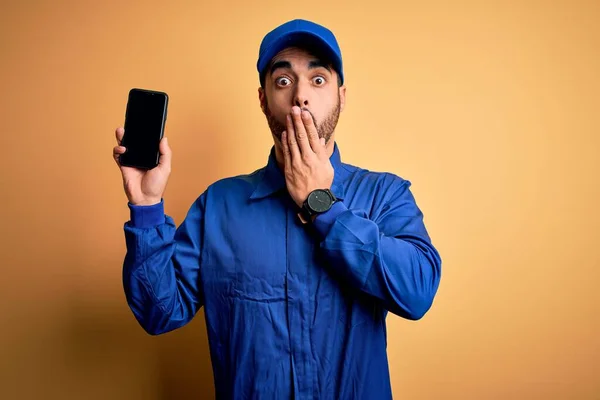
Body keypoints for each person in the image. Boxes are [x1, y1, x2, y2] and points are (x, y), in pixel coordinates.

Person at [112, 18, 442, 400]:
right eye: (283, 81)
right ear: (263, 98)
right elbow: (158, 312)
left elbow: (417, 292)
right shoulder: (218, 206)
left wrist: (322, 205)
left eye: (318, 80)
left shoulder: (384, 195)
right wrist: (147, 204)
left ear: (342, 96)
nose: (301, 95)